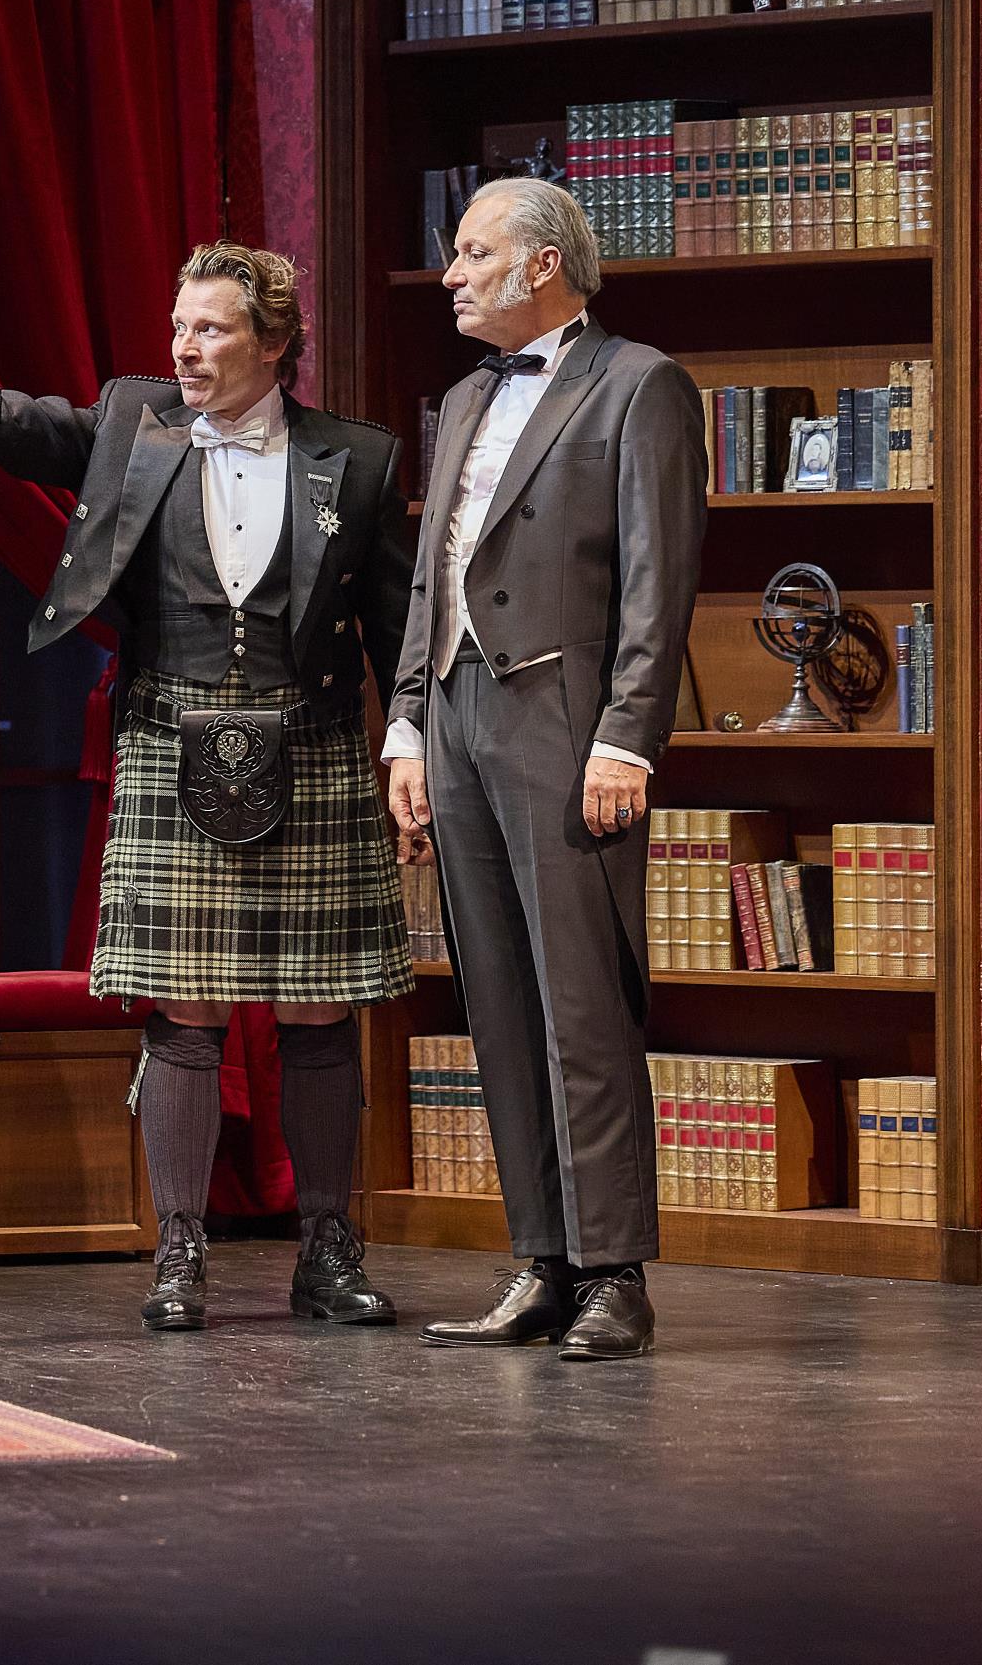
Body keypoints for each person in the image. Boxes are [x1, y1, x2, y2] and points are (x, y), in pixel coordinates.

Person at [0, 242, 416, 1334]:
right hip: (168, 740)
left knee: (318, 1008)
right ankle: (179, 1250)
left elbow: (398, 625)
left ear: (274, 343)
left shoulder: (355, 458)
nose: (183, 347)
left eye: (209, 328)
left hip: (311, 748)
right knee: (184, 1010)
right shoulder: (132, 422)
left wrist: (409, 743)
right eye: (179, 326)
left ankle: (328, 1248)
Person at [383, 176, 707, 1362]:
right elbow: (432, 571)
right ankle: (541, 1260)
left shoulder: (637, 383)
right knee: (498, 999)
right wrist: (404, 724)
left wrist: (626, 734)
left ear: (540, 265)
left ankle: (614, 1271)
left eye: (472, 253)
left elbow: (657, 579)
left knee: (579, 999)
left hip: (562, 726)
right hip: (457, 713)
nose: (451, 274)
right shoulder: (466, 395)